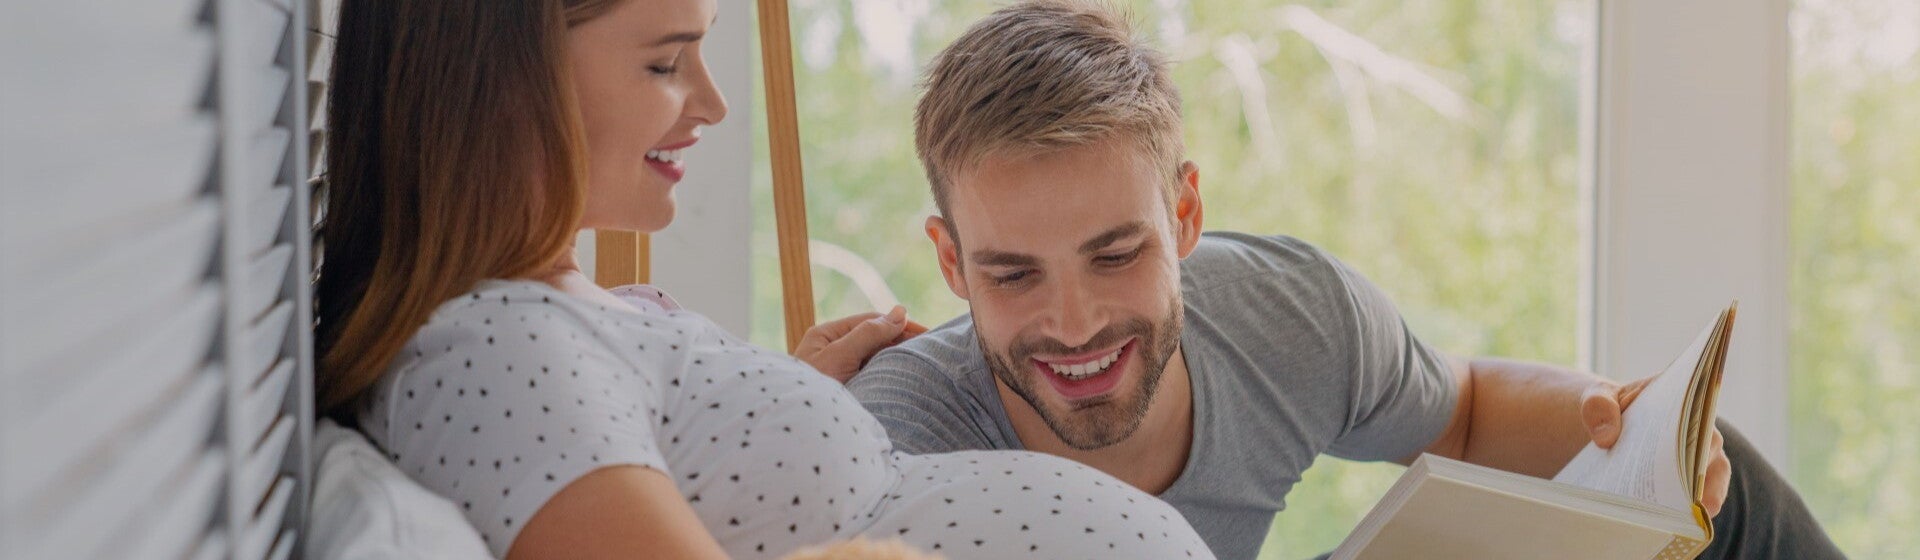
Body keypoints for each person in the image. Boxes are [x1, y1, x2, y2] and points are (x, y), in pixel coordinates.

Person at [844, 1, 1845, 559]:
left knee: (1724, 482)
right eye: (1012, 273)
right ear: (949, 262)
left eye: (1117, 254)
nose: (1074, 320)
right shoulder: (894, 436)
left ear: (1185, 215)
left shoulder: (1283, 309)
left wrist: (1622, 423)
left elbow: (1465, 411)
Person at [314, 0, 1215, 558]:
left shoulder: (552, 325)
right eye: (665, 62)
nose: (710, 103)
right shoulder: (494, 356)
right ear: (503, 80)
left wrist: (787, 396)